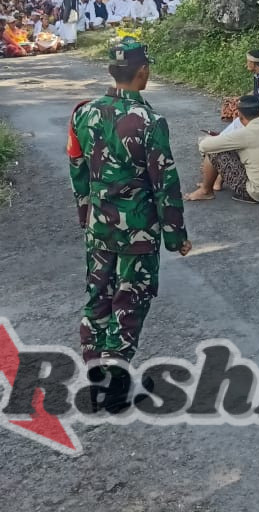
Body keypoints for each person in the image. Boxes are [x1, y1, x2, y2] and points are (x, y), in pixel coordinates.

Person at [69, 40, 191, 407]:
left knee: (98, 298)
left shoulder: (83, 114)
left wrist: (85, 215)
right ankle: (117, 388)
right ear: (144, 72)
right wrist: (176, 236)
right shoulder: (150, 122)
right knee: (129, 301)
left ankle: (96, 378)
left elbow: (77, 170)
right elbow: (165, 184)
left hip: (98, 229)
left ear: (112, 71)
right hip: (138, 232)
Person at [187, 95, 259, 203]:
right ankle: (211, 182)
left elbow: (205, 146)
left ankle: (206, 191)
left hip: (256, 193)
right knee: (228, 149)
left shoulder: (246, 133)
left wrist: (206, 140)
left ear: (239, 115)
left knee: (213, 151)